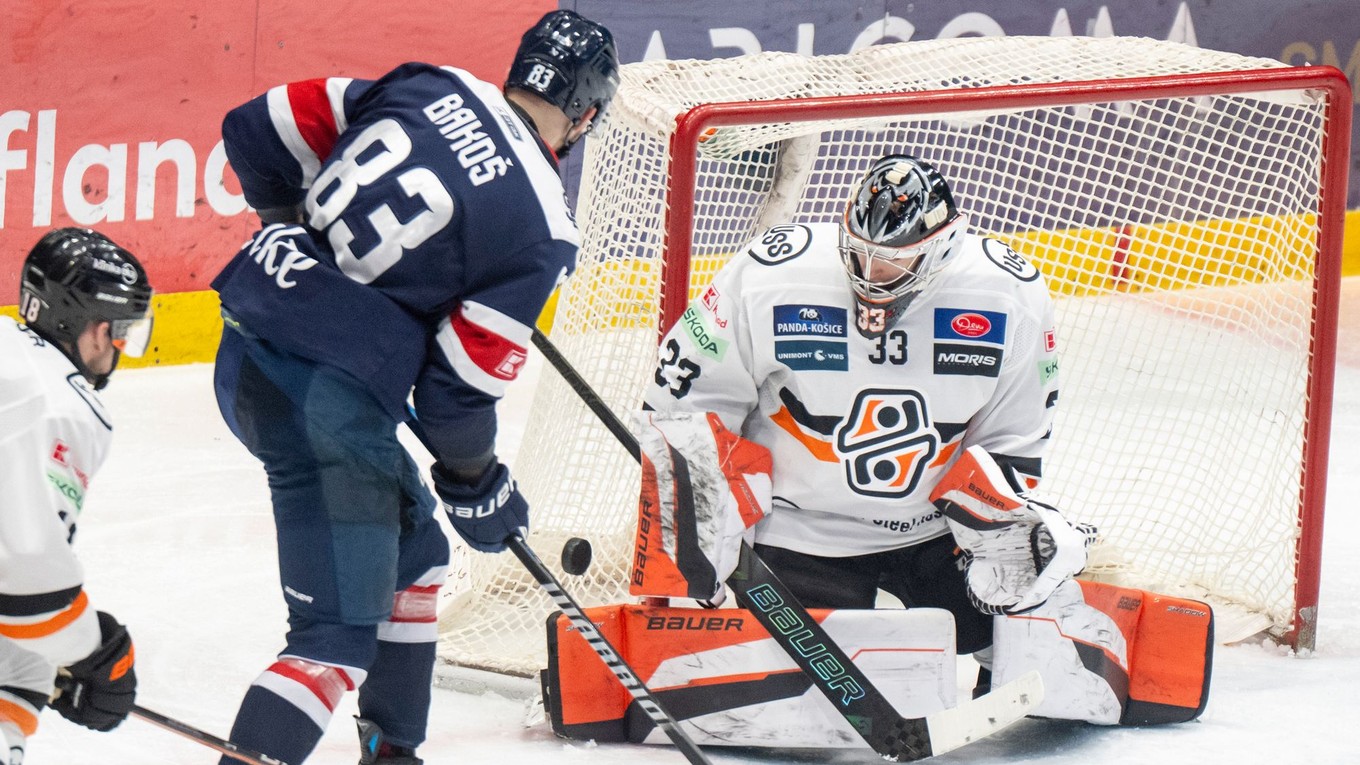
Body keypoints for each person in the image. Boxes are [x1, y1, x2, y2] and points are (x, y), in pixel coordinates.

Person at [208, 9, 619, 765]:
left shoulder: (432, 85)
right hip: (322, 408)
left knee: (418, 552)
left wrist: (291, 234)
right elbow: (454, 398)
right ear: (586, 117)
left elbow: (254, 128)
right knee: (332, 640)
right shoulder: (541, 229)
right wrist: (481, 489)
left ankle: (393, 750)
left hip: (245, 351)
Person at [0, 228, 154, 764]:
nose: (117, 350)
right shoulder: (62, 406)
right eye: (118, 333)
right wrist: (94, 654)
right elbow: (24, 587)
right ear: (91, 328)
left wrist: (23, 690)